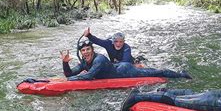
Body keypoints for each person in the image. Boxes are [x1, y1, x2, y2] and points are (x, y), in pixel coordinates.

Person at [60, 39, 192, 81]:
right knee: (153, 71)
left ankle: (181, 75)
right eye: (83, 51)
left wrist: (68, 81)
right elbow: (69, 74)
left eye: (88, 49)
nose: (86, 52)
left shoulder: (99, 59)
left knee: (157, 72)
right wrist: (65, 62)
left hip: (124, 71)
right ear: (81, 53)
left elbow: (89, 76)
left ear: (92, 50)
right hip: (117, 67)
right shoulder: (84, 61)